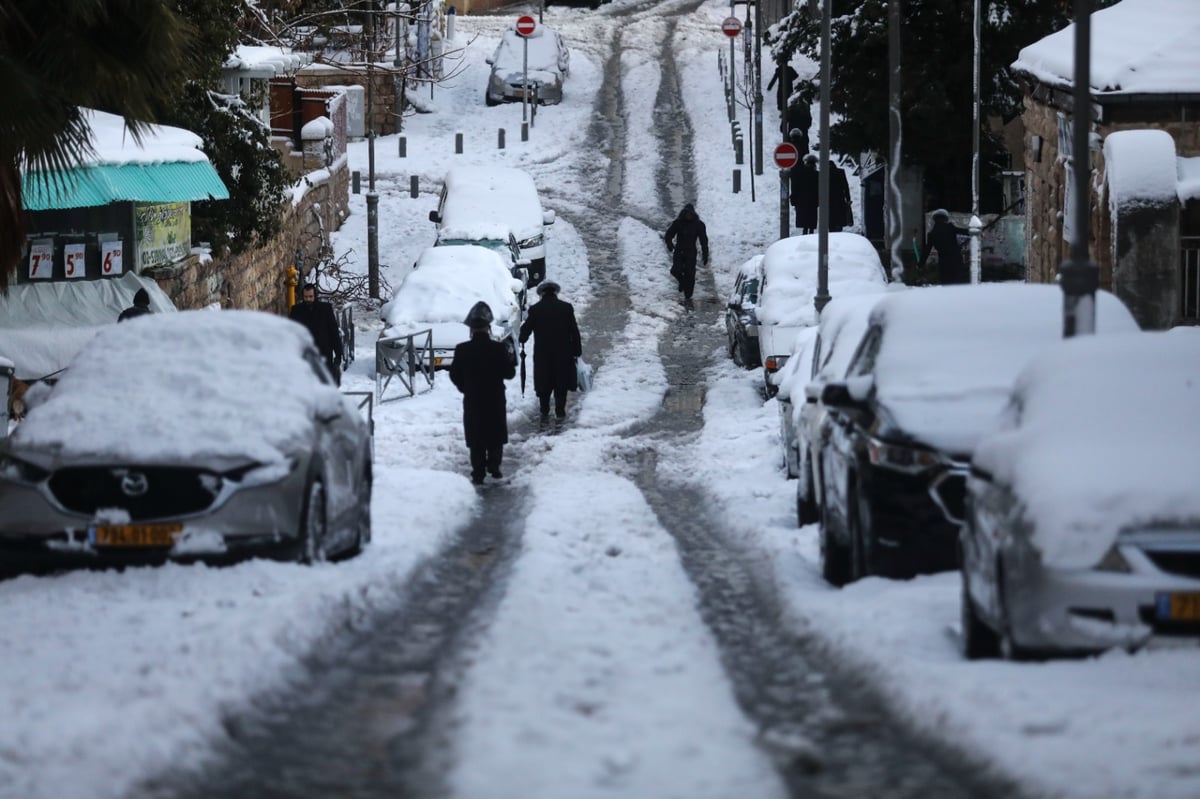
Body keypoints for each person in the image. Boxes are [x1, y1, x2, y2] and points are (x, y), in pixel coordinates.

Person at [449, 301, 516, 485]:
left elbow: (454, 374)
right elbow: (509, 373)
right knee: (495, 431)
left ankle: (478, 470)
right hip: (495, 398)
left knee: (476, 433)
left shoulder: (462, 350)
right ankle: (494, 466)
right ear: (488, 327)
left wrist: (465, 387)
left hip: (473, 399)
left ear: (470, 329)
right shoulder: (498, 348)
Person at [518, 281, 582, 425]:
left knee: (544, 381)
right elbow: (574, 331)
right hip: (563, 353)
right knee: (561, 381)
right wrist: (577, 350)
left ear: (541, 294)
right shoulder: (566, 308)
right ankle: (560, 410)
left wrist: (522, 338)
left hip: (543, 355)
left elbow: (525, 331)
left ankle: (544, 409)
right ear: (555, 292)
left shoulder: (536, 309)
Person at [289, 282, 343, 384]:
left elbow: (333, 332)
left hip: (324, 353)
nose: (308, 299)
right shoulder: (296, 310)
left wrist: (338, 354)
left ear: (315, 296)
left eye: (310, 297)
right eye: (306, 297)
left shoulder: (325, 309)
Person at [664, 203, 710, 303]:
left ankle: (688, 295)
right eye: (687, 214)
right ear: (684, 214)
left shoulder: (699, 225)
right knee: (676, 270)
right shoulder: (678, 223)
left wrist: (705, 254)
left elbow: (703, 240)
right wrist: (670, 245)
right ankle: (682, 281)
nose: (688, 216)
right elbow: (669, 234)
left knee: (690, 274)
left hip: (691, 252)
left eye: (690, 214)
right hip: (679, 250)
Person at [917, 209, 969, 285]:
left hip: (944, 262)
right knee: (958, 283)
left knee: (946, 284)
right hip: (956, 260)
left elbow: (927, 250)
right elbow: (965, 231)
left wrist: (920, 264)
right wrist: (977, 231)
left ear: (934, 220)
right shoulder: (950, 227)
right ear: (945, 218)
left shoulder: (932, 234)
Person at [790, 155, 819, 234]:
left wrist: (793, 199)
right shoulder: (817, 175)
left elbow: (795, 187)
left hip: (801, 201)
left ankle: (805, 231)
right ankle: (811, 232)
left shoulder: (799, 174)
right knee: (811, 219)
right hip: (813, 201)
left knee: (804, 219)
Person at [827, 159, 853, 233]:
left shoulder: (824, 173)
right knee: (839, 218)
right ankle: (838, 230)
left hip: (829, 200)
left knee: (831, 218)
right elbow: (846, 186)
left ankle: (832, 230)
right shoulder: (840, 172)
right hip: (839, 199)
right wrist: (848, 198)